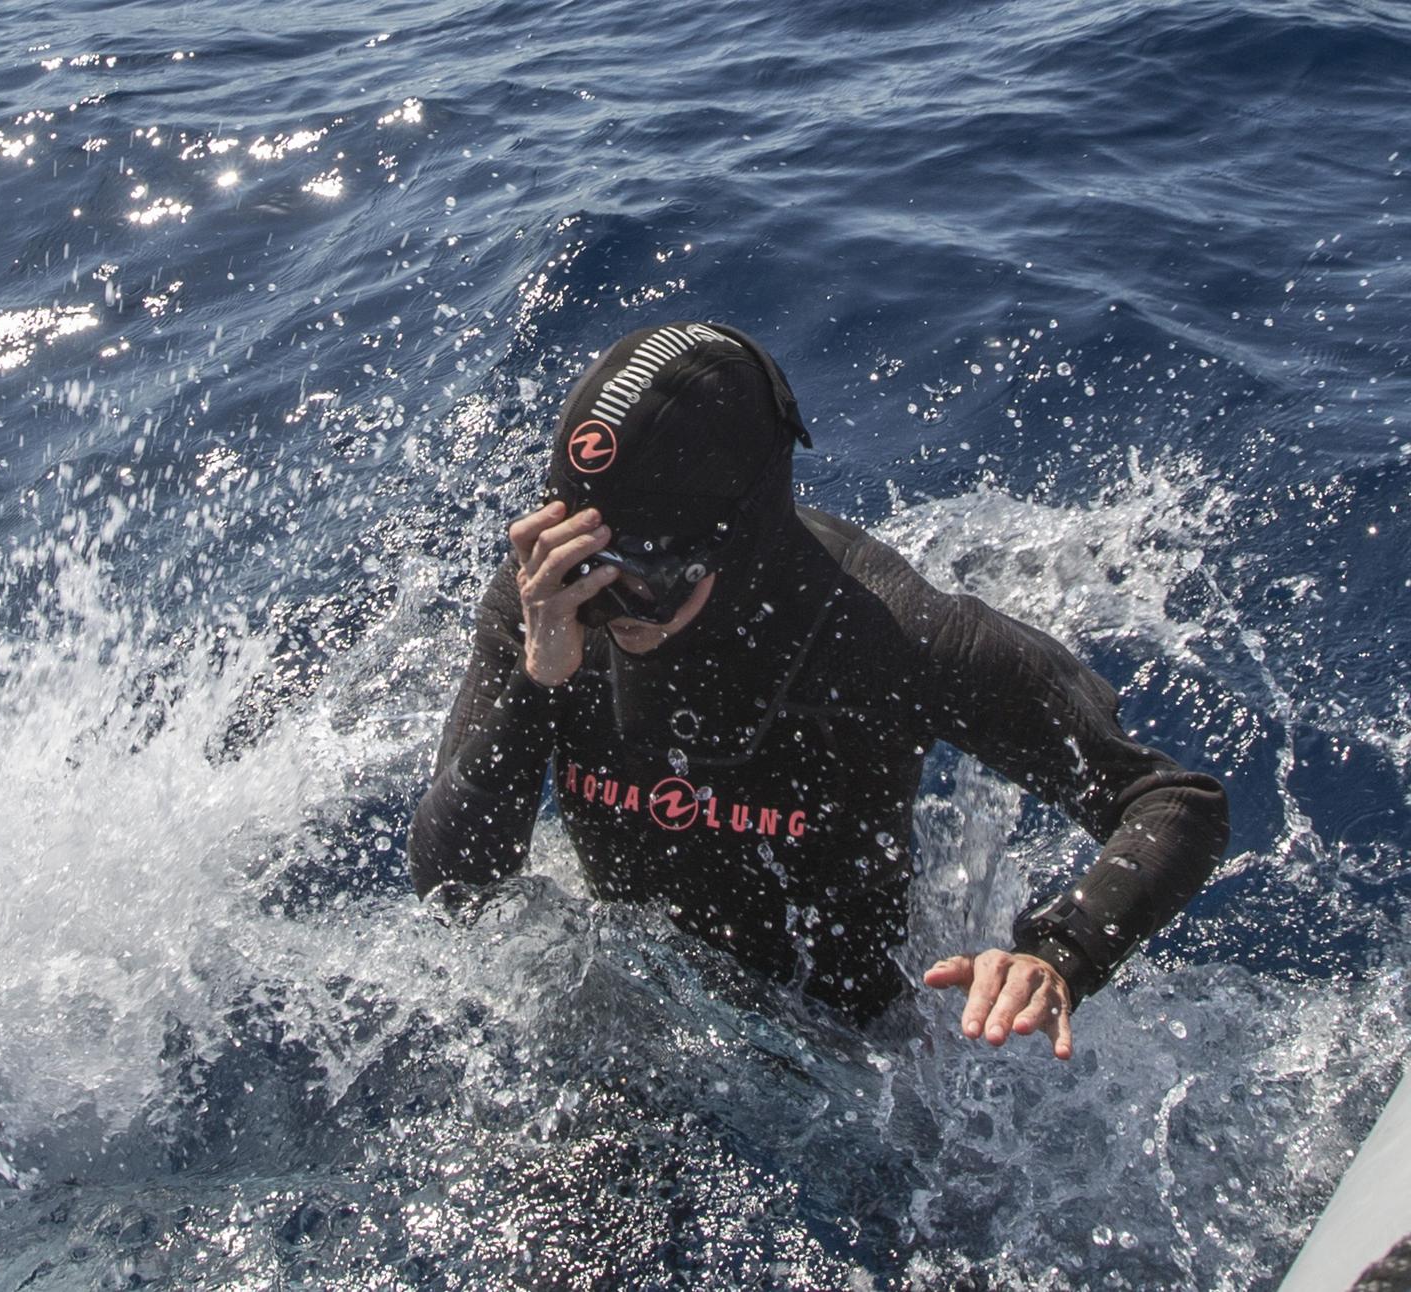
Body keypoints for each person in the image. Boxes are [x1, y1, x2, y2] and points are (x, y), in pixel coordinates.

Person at [406, 322, 1229, 1058]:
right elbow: (452, 889)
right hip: (638, 1017)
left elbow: (1171, 801)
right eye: (587, 569)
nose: (609, 615)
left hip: (849, 1058)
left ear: (740, 545)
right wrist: (537, 682)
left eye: (645, 582)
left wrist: (1057, 955)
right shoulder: (546, 611)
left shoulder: (886, 635)